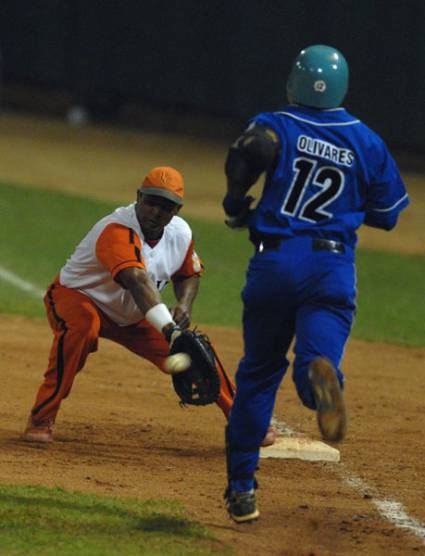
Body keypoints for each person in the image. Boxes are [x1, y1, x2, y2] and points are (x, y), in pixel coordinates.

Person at [222, 45, 409, 522]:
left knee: (259, 372)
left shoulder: (276, 123)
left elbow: (250, 151)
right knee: (316, 357)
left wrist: (236, 201)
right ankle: (318, 382)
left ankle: (242, 489)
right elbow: (388, 216)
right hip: (330, 269)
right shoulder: (366, 140)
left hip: (274, 263)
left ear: (294, 81)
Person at [23, 166, 237, 443]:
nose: (155, 212)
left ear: (177, 210)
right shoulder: (117, 229)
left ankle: (243, 419)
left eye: (165, 207)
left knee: (198, 354)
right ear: (138, 196)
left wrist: (184, 305)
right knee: (83, 329)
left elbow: (188, 274)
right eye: (150, 202)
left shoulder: (181, 233)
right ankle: (42, 417)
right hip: (79, 297)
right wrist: (170, 330)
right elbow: (136, 280)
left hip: (136, 316)